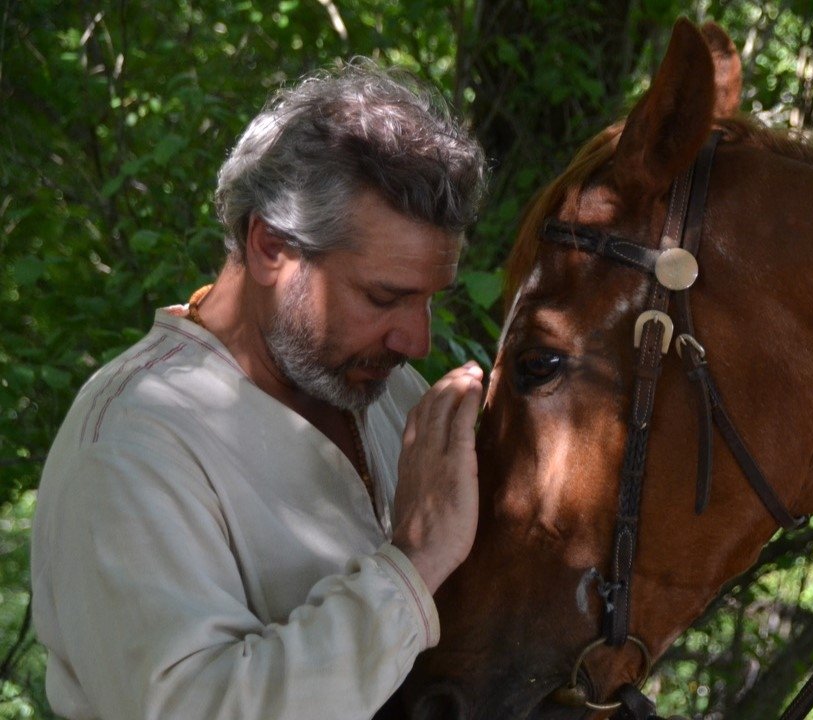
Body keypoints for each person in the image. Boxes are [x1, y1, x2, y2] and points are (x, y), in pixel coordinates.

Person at [30, 59, 487, 719]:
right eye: (384, 297)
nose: (416, 340)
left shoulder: (389, 392)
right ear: (271, 247)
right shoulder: (132, 443)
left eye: (428, 300)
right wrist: (414, 561)